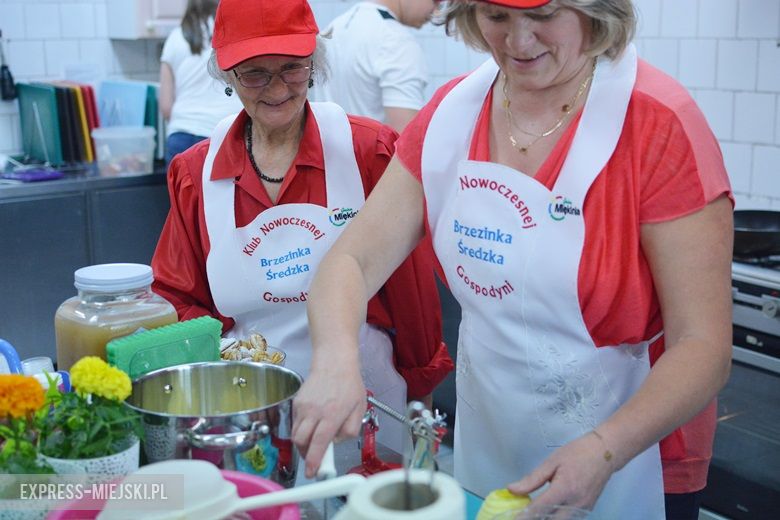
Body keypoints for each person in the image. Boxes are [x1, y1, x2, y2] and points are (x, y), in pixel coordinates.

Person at [292, 0, 734, 518]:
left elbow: (702, 344)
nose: (518, 42)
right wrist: (336, 360)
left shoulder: (659, 125)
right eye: (496, 17)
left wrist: (602, 449)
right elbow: (352, 261)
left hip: (632, 452)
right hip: (490, 440)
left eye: (544, 16)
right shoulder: (453, 114)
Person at [151, 0, 453, 455]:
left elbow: (410, 293)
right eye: (255, 73)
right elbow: (176, 296)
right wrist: (231, 358)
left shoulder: (367, 151)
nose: (277, 89)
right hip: (250, 411)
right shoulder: (196, 175)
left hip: (366, 404)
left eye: (292, 68)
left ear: (314, 64)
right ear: (227, 78)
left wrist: (421, 400)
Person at [315, 0, 437, 132]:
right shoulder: (397, 40)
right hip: (372, 152)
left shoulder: (332, 29)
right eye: (436, 1)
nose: (436, 11)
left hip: (327, 150)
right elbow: (406, 139)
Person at [159, 0, 242, 165]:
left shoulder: (175, 38)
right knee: (223, 192)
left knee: (184, 191)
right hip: (223, 133)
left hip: (180, 136)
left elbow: (166, 106)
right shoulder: (233, 33)